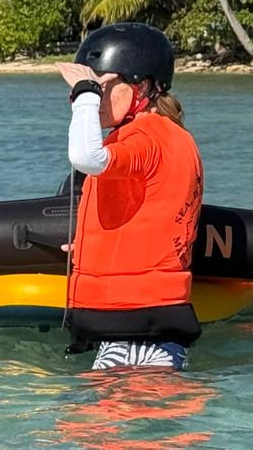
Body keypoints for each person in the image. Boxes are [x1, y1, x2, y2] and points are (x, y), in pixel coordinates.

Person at [56, 22, 204, 371]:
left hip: (141, 332)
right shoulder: (153, 137)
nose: (96, 99)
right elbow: (149, 215)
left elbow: (85, 158)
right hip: (130, 324)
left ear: (144, 86)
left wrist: (84, 98)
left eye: (103, 87)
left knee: (89, 424)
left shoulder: (150, 138)